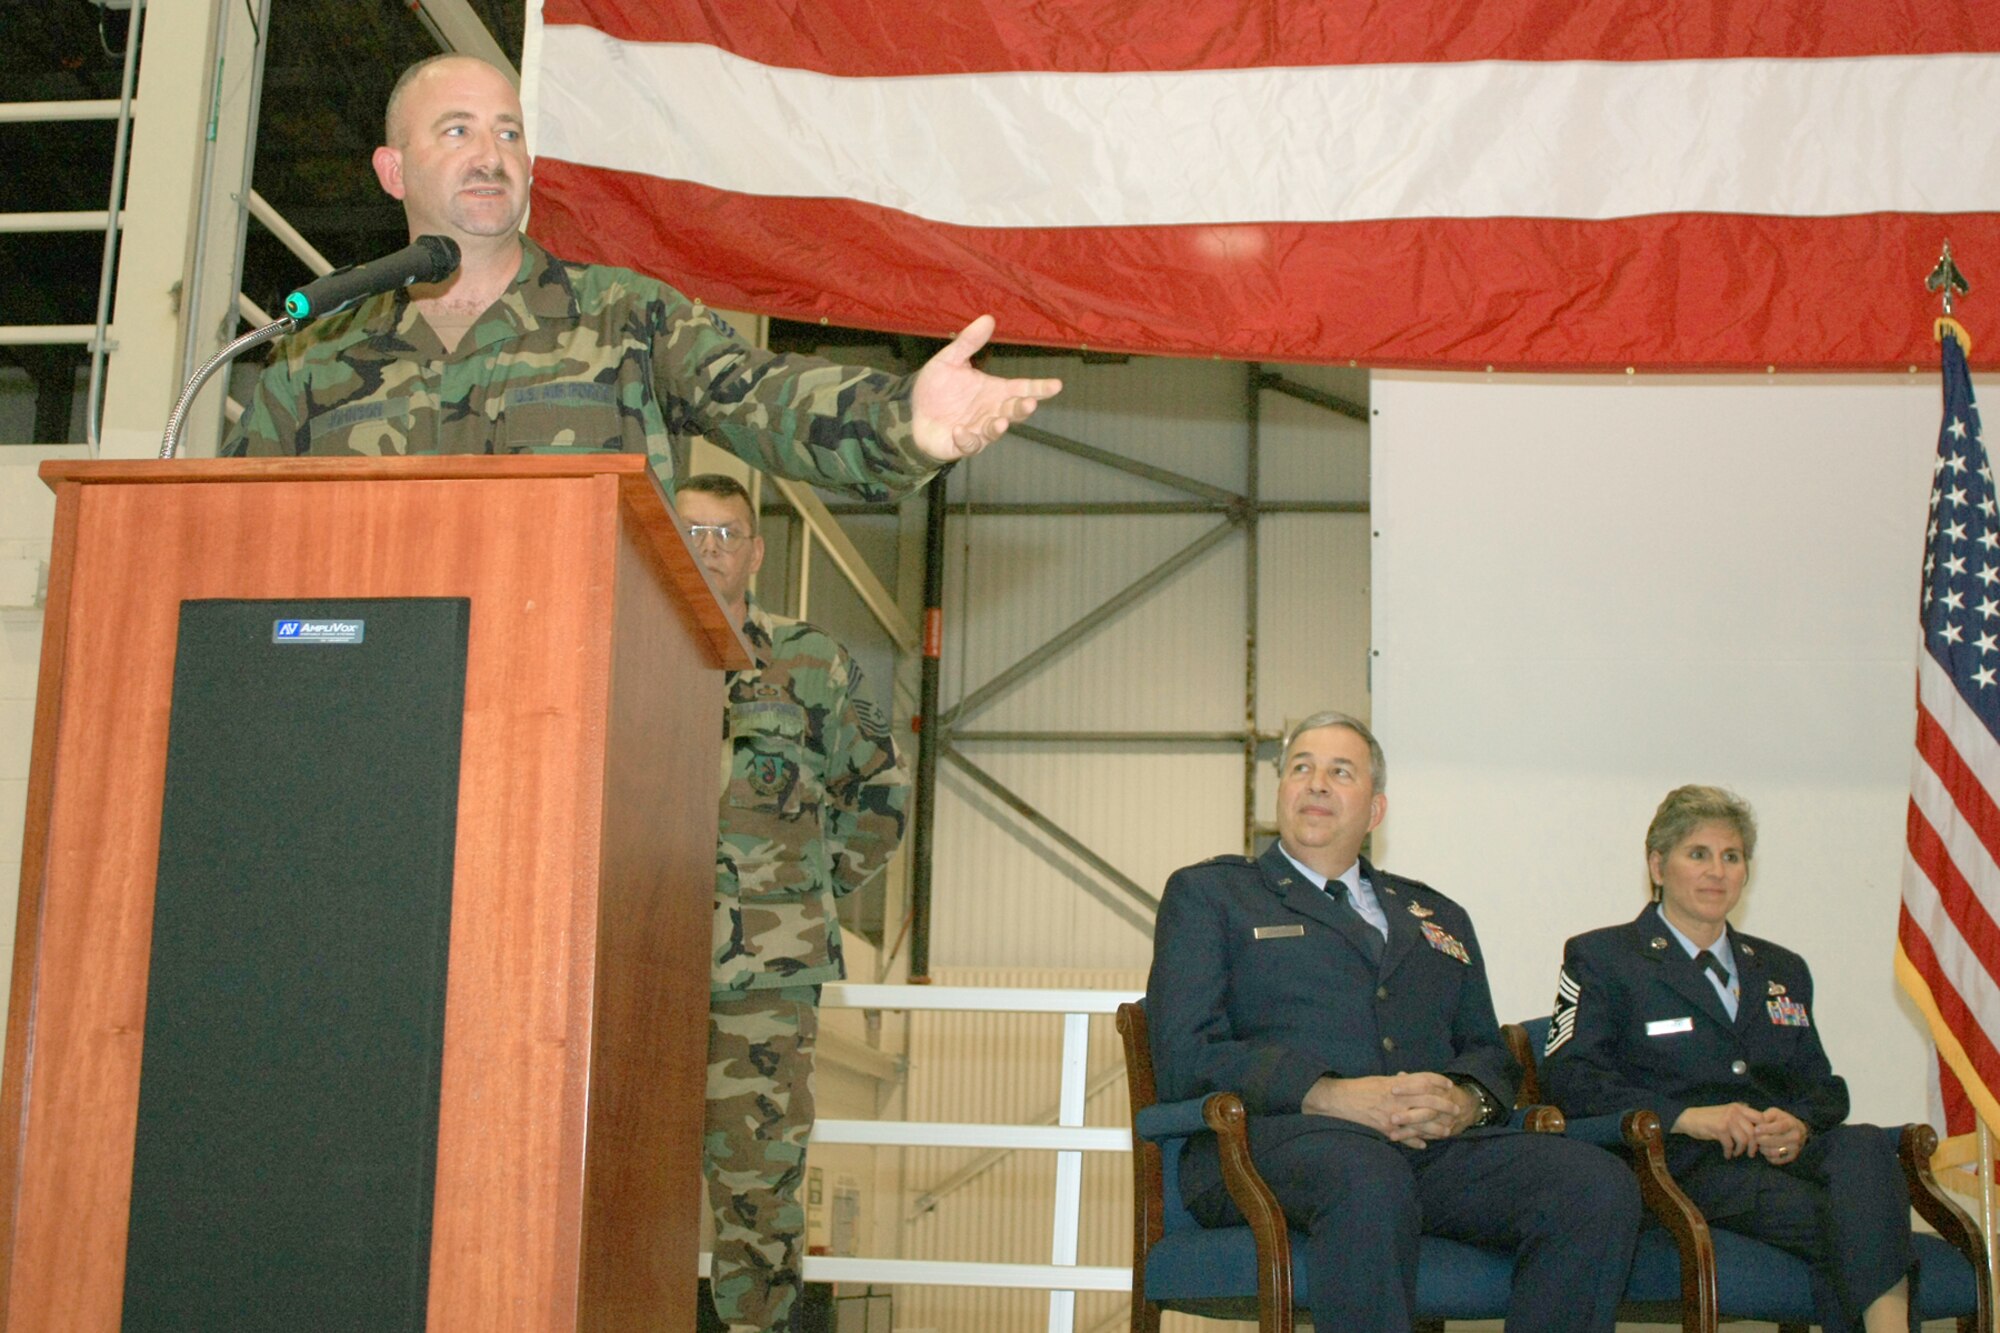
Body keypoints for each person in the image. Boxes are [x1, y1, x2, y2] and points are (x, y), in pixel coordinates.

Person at [221, 54, 1060, 500]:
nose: (490, 156)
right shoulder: (313, 353)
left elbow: (763, 398)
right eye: (457, 131)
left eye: (509, 135)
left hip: (573, 723)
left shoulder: (626, 318)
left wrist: (902, 417)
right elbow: (226, 533)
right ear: (392, 171)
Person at [1145, 711, 1641, 1332]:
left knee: (1594, 1184)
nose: (1317, 783)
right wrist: (1327, 1094)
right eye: (1302, 768)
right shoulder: (1213, 894)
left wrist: (1464, 1101)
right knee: (1366, 1176)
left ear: (1375, 810)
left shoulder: (1437, 914)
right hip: (1266, 1144)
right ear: (1280, 794)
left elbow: (1488, 1051)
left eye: (1340, 772)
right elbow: (1184, 1052)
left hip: (1427, 1149)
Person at [1541, 784, 1913, 1333]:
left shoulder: (1782, 968)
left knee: (1862, 1147)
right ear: (1657, 865)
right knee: (1856, 1225)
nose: (1717, 870)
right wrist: (1686, 1117)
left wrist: (1800, 1123)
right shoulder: (1603, 957)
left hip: (1776, 1154)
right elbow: (1570, 1078)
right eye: (1698, 854)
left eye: (1731, 857)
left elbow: (1824, 1087)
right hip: (1679, 1160)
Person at [678, 474, 908, 1333]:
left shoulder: (810, 663)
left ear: (756, 550)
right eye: (691, 532)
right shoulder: (622, 639)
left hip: (766, 977)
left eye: (726, 534)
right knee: (611, 1166)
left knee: (758, 1179)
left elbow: (880, 788)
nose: (709, 550)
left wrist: (808, 894)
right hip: (629, 958)